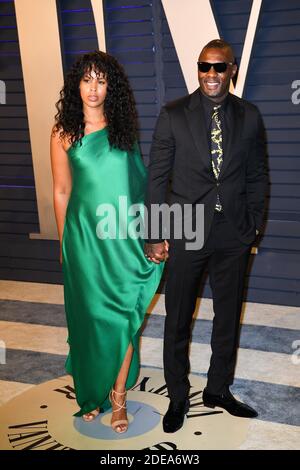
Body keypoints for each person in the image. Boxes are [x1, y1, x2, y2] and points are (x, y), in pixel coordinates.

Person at [145, 39, 268, 433]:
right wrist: (154, 233)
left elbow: (257, 175)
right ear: (197, 69)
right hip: (186, 229)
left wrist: (253, 225)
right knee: (178, 316)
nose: (210, 74)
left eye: (219, 67)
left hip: (233, 231)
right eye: (204, 66)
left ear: (233, 69)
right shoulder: (173, 114)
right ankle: (178, 396)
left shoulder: (249, 116)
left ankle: (218, 389)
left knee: (227, 316)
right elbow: (157, 179)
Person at [50, 51, 164, 433]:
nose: (93, 88)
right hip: (83, 240)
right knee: (87, 318)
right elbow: (62, 191)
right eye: (87, 80)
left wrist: (148, 235)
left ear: (110, 87)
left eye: (101, 81)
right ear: (76, 85)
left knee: (122, 313)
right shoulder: (63, 133)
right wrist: (64, 241)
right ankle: (91, 392)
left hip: (120, 236)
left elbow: (138, 188)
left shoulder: (122, 131)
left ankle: (118, 397)